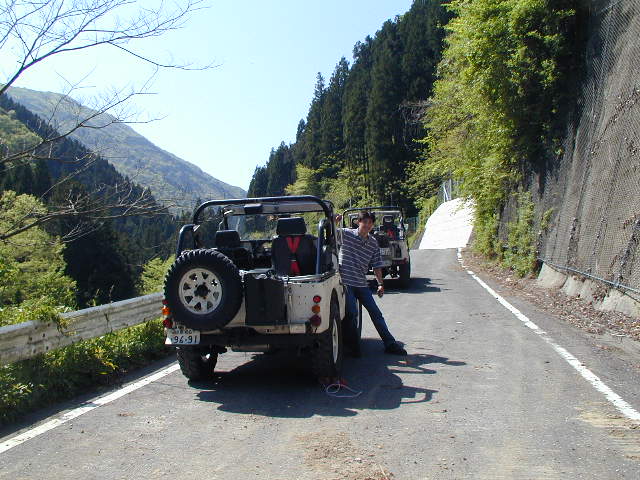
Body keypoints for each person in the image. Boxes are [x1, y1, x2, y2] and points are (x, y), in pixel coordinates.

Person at [335, 210, 407, 356]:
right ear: (358, 222)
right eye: (364, 222)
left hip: (362, 284)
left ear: (373, 225)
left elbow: (376, 266)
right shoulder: (346, 234)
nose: (367, 225)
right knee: (351, 313)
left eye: (370, 222)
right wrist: (334, 220)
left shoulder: (373, 243)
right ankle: (352, 346)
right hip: (346, 283)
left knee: (376, 313)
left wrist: (380, 284)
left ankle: (390, 344)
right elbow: (331, 233)